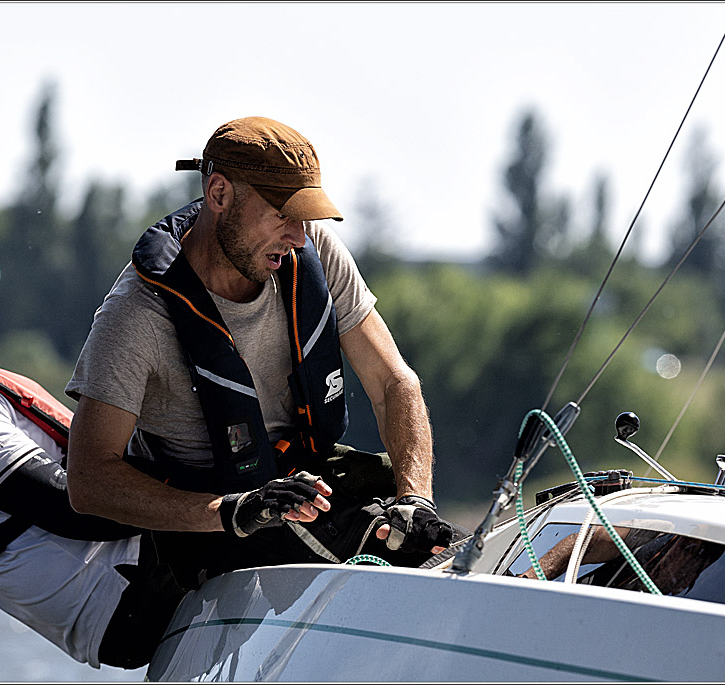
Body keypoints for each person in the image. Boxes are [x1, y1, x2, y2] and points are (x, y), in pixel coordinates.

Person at [0, 222, 323, 669]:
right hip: (126, 600)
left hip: (138, 574)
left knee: (297, 486)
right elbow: (82, 507)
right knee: (315, 520)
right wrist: (232, 503)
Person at [65, 116, 461, 578]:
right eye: (282, 215)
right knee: (407, 559)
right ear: (219, 194)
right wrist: (234, 511)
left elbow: (394, 382)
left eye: (304, 219)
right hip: (215, 522)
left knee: (425, 538)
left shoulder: (315, 252)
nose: (297, 237)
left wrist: (415, 497)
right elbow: (88, 479)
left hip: (310, 485)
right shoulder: (136, 316)